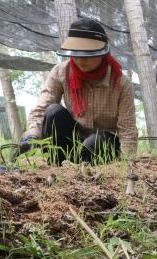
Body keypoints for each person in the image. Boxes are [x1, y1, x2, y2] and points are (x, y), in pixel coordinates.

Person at [20, 17, 138, 165]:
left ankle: (85, 165)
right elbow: (42, 110)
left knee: (94, 143)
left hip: (104, 143)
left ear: (103, 52)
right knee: (53, 111)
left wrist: (127, 161)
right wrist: (31, 136)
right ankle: (59, 163)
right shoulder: (60, 72)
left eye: (88, 54)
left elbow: (127, 129)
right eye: (76, 54)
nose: (81, 60)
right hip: (73, 140)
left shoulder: (121, 83)